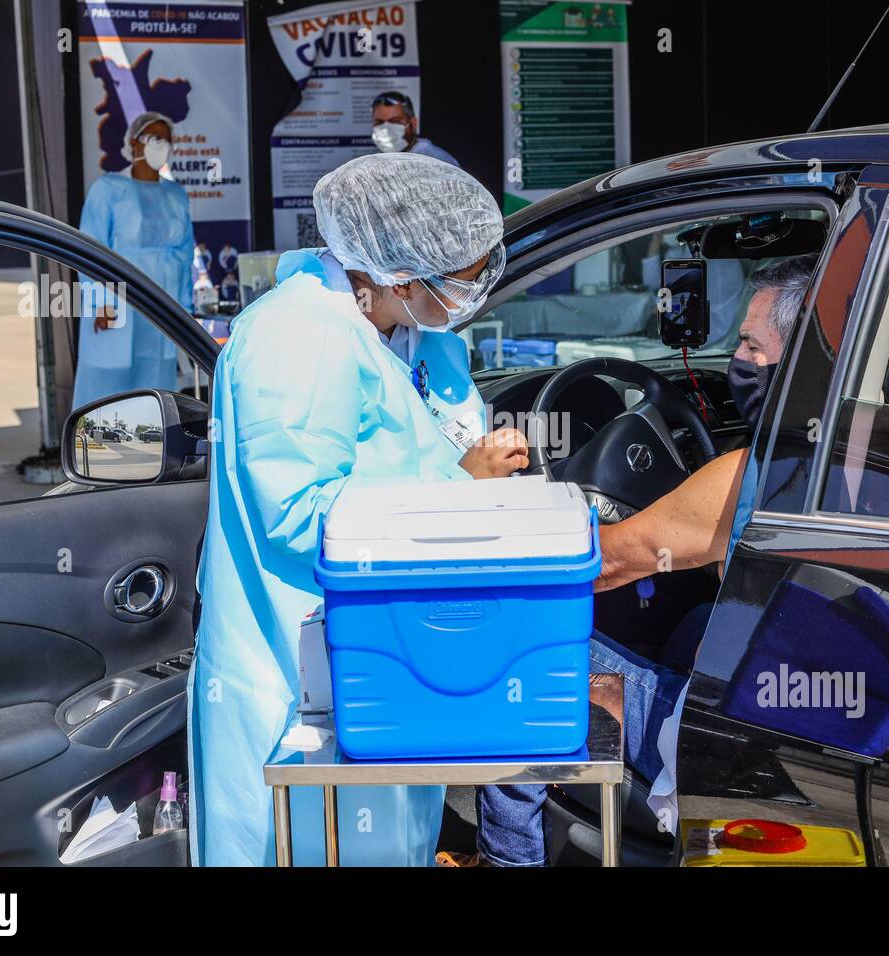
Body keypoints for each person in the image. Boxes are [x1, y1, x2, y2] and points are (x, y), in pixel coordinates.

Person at [189, 151, 528, 867]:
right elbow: (298, 512)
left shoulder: (416, 331)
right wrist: (460, 488)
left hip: (388, 662)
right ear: (397, 273)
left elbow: (440, 431)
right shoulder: (296, 337)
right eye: (463, 281)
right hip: (299, 675)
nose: (472, 297)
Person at [439, 255, 818, 867]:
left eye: (750, 344)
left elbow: (605, 562)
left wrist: (495, 507)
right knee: (695, 625)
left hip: (738, 745)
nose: (739, 362)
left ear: (798, 360)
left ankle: (509, 858)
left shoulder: (750, 476)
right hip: (805, 720)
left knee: (522, 659)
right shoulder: (871, 461)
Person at [73, 111, 192, 410]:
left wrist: (184, 311)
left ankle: (151, 447)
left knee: (154, 379)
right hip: (117, 300)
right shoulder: (108, 189)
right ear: (134, 144)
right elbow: (89, 248)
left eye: (166, 139)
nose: (161, 145)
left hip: (162, 301)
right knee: (109, 379)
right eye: (154, 138)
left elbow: (184, 253)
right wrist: (98, 301)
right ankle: (95, 446)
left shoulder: (177, 195)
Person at [371, 91, 460, 167]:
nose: (386, 129)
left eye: (395, 121)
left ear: (413, 123)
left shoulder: (437, 162)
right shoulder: (375, 162)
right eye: (379, 122)